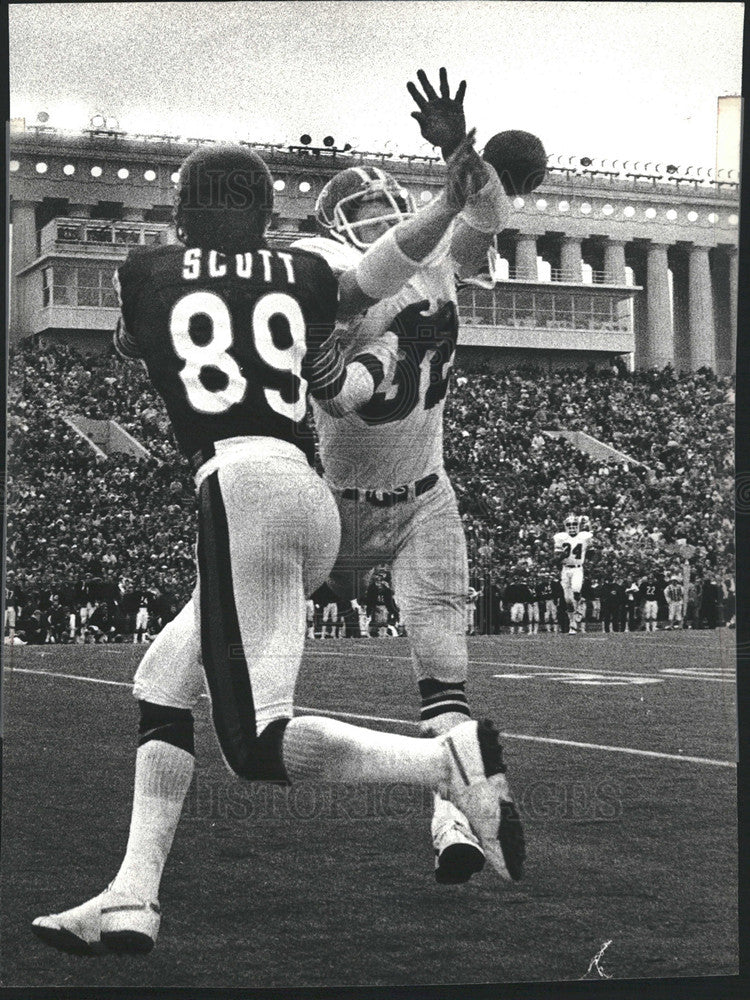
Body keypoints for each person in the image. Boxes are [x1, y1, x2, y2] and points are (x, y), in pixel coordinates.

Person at [32, 140, 523, 956]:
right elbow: (380, 275)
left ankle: (446, 764)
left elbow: (129, 344)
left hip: (242, 486)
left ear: (186, 210)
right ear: (267, 217)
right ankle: (131, 895)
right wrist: (444, 202)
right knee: (161, 679)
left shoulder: (150, 269)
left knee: (258, 744)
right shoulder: (302, 278)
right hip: (304, 487)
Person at [290, 67, 525, 882]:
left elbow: (492, 214)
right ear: (332, 225)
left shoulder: (435, 263)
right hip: (336, 506)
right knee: (251, 667)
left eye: (384, 205)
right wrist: (340, 377)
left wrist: (463, 154)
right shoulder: (326, 270)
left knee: (443, 672)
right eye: (360, 212)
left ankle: (453, 825)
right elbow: (351, 398)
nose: (376, 219)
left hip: (427, 494)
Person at [553, 514, 594, 634]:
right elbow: (554, 560)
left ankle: (580, 604)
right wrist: (562, 555)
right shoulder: (561, 538)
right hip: (565, 570)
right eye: (569, 525)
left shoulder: (584, 537)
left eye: (574, 524)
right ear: (565, 526)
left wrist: (591, 562)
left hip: (577, 568)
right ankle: (572, 624)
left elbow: (593, 552)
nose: (572, 527)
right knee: (568, 601)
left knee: (576, 590)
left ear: (579, 526)